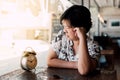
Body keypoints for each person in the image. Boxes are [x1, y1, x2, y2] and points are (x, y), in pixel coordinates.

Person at [47, 5, 100, 75]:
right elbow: (49, 61)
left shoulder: (93, 46)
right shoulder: (62, 36)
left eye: (67, 27)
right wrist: (76, 65)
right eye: (64, 27)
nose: (64, 30)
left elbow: (84, 70)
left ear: (78, 29)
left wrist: (82, 38)